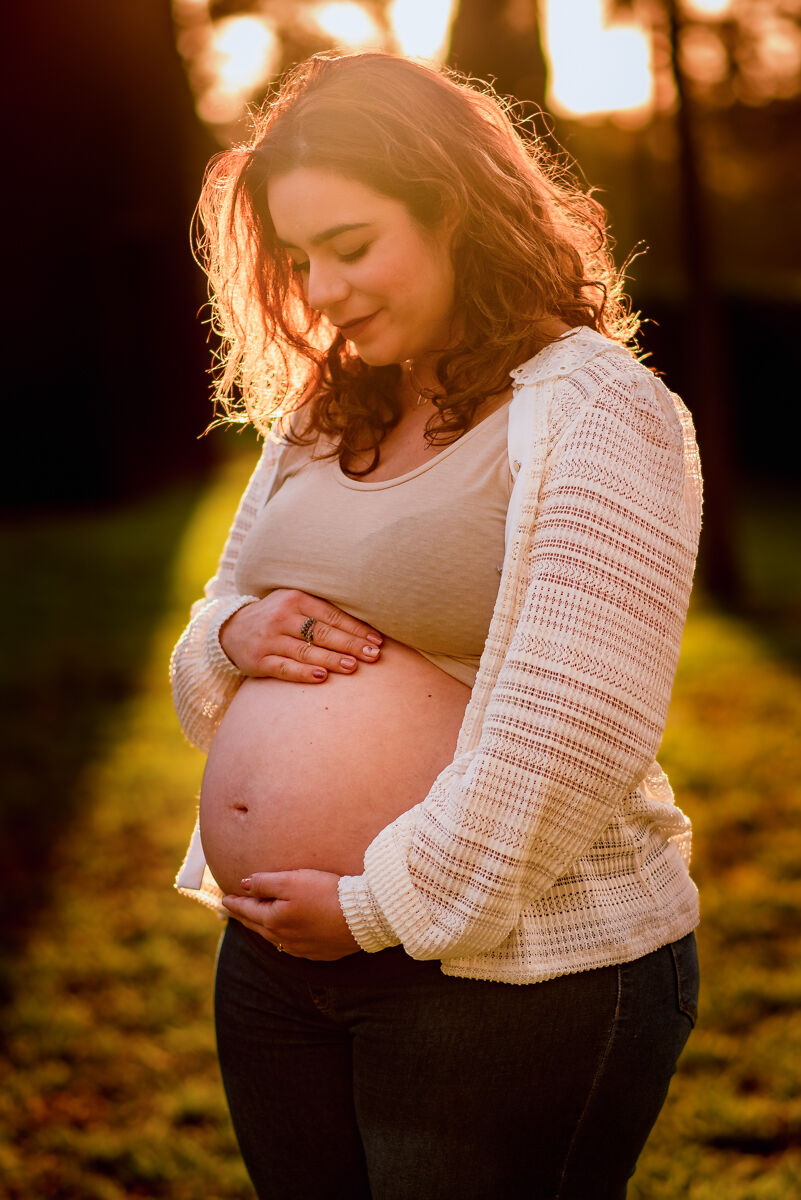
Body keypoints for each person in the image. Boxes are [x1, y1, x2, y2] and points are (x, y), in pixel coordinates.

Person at [170, 50, 703, 1200]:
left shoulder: (596, 407)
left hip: (503, 975)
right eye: (300, 258)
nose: (318, 290)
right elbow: (214, 622)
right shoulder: (328, 407)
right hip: (274, 963)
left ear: (459, 210)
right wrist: (233, 637)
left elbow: (573, 728)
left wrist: (373, 908)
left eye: (351, 248)